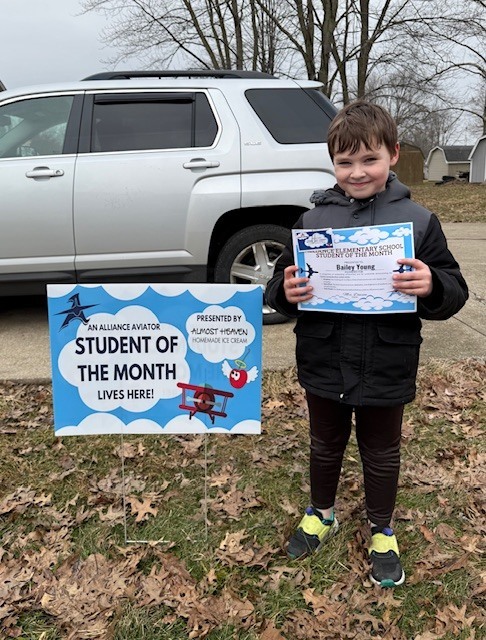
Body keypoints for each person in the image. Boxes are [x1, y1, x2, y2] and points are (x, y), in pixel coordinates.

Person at [265, 100, 468, 588]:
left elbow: (453, 288)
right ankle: (322, 512)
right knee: (324, 442)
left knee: (381, 450)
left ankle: (381, 529)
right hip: (323, 358)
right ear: (332, 162)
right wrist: (285, 294)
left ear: (393, 154)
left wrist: (431, 285)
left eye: (369, 159)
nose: (357, 172)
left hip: (386, 360)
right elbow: (278, 288)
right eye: (345, 162)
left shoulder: (419, 222)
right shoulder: (311, 224)